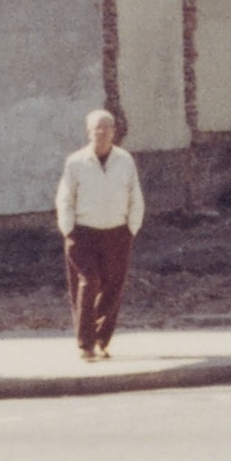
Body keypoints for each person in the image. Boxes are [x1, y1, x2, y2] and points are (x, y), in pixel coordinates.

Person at [54, 108, 145, 362]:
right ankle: (85, 343)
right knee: (89, 281)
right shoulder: (76, 162)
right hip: (83, 234)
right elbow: (65, 198)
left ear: (115, 132)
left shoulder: (125, 160)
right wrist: (68, 229)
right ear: (89, 132)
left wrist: (131, 227)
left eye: (108, 128)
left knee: (113, 286)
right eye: (98, 128)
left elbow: (135, 196)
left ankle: (102, 339)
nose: (103, 133)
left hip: (117, 233)